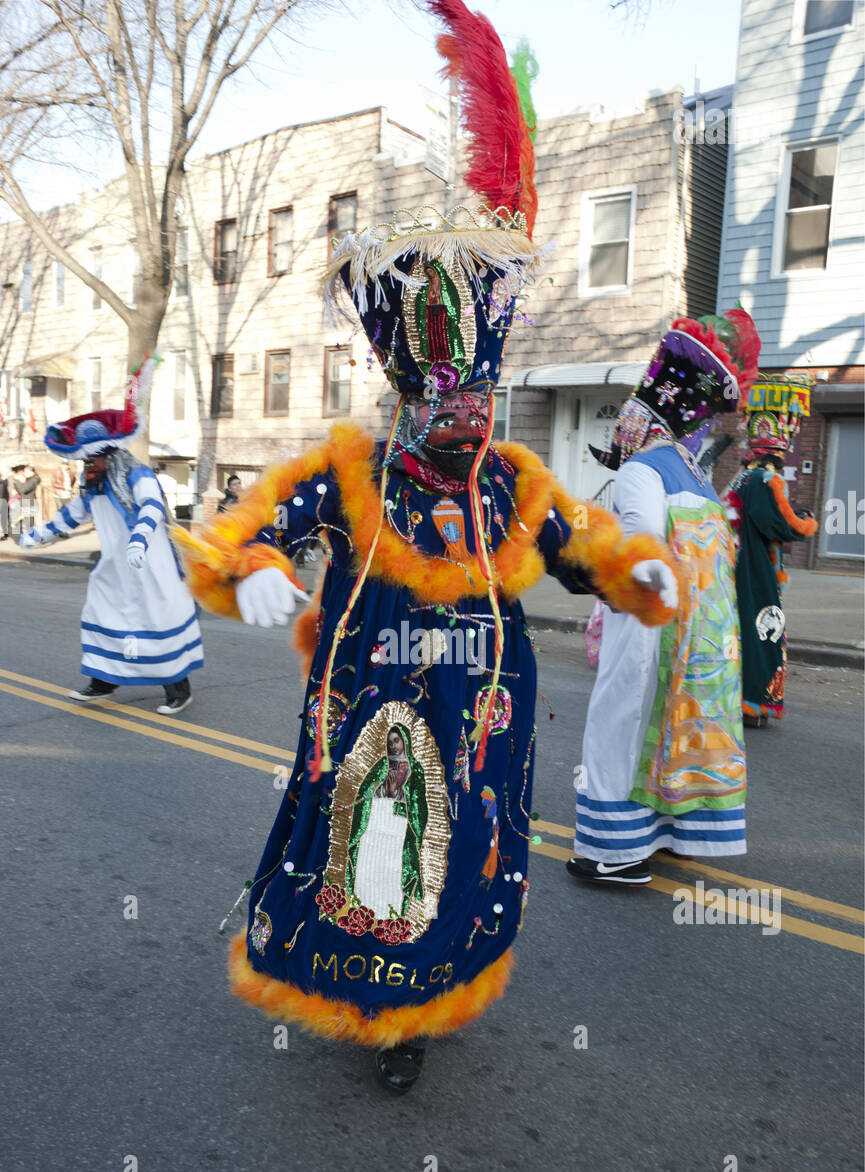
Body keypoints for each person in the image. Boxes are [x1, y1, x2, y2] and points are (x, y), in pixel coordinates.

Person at [174, 0, 678, 1093]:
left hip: (484, 716)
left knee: (466, 865)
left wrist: (637, 571)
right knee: (375, 853)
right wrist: (256, 568)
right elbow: (233, 531)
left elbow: (583, 541)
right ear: (407, 401)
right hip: (371, 712)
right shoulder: (348, 474)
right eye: (450, 403)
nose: (470, 420)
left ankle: (437, 993)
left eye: (482, 402)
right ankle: (381, 1014)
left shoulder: (513, 481)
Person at [568, 308, 761, 886]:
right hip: (697, 639)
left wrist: (624, 566)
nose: (619, 433)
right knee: (672, 734)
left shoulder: (642, 472)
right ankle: (672, 834)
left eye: (625, 420)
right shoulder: (696, 478)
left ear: (639, 420)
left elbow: (643, 536)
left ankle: (614, 854)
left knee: (619, 727)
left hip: (646, 623)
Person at [18, 358, 203, 715]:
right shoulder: (94, 484)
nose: (86, 468)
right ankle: (102, 681)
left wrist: (139, 540)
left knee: (156, 618)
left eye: (91, 462)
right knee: (104, 614)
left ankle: (178, 688)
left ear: (108, 456)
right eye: (84, 463)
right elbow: (71, 515)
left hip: (149, 564)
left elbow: (152, 508)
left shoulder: (137, 474)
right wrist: (37, 534)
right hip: (115, 567)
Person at [721, 379, 818, 726]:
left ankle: (736, 698)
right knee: (764, 631)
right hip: (756, 568)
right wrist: (807, 522)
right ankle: (754, 703)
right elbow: (780, 524)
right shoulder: (765, 480)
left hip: (735, 564)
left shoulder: (740, 477)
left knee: (742, 629)